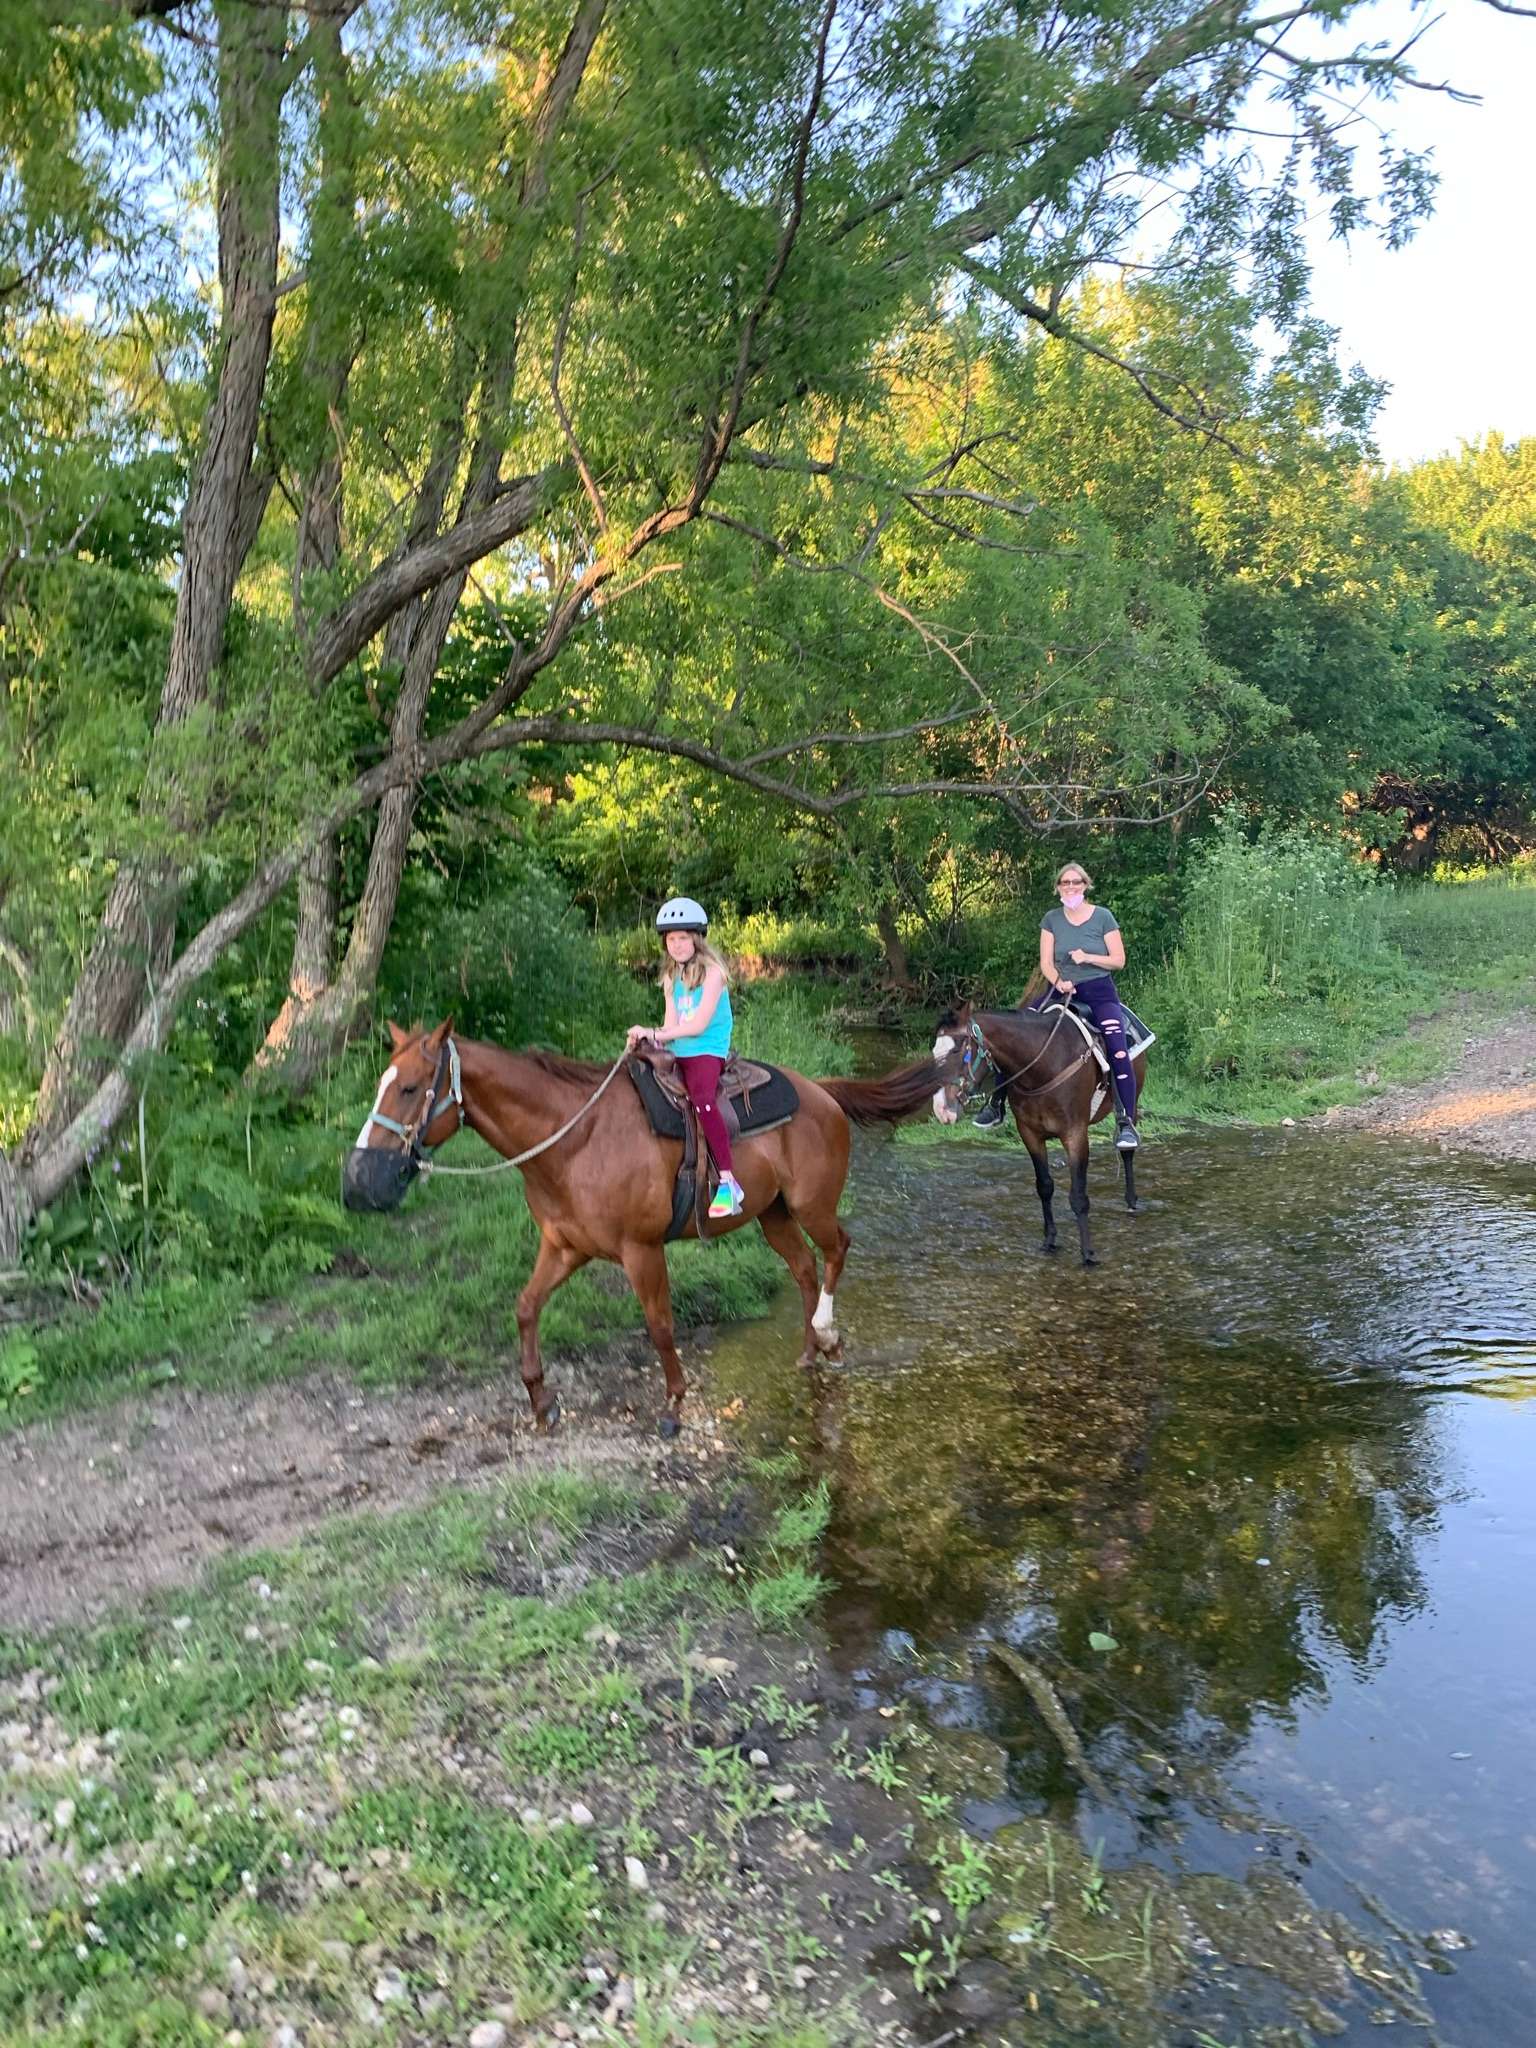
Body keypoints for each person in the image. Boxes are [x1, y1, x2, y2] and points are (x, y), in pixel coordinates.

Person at [974, 860, 1141, 1149]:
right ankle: (996, 1103)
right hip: (1060, 989)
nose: (1071, 887)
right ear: (1058, 888)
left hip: (1099, 991)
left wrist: (1088, 957)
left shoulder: (1103, 917)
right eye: (1065, 882)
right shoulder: (1051, 919)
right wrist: (1059, 981)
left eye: (1076, 882)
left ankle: (1126, 1122)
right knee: (1016, 1034)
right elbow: (1046, 963)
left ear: (1085, 885)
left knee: (1117, 1044)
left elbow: (1119, 960)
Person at [626, 897, 746, 1218]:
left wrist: (654, 1032)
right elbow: (671, 1025)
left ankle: (728, 1182)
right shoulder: (671, 978)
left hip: (707, 1050)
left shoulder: (714, 974)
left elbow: (698, 1025)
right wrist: (650, 1038)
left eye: (683, 937)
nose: (677, 945)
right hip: (679, 1049)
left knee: (702, 1099)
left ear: (697, 938)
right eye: (671, 939)